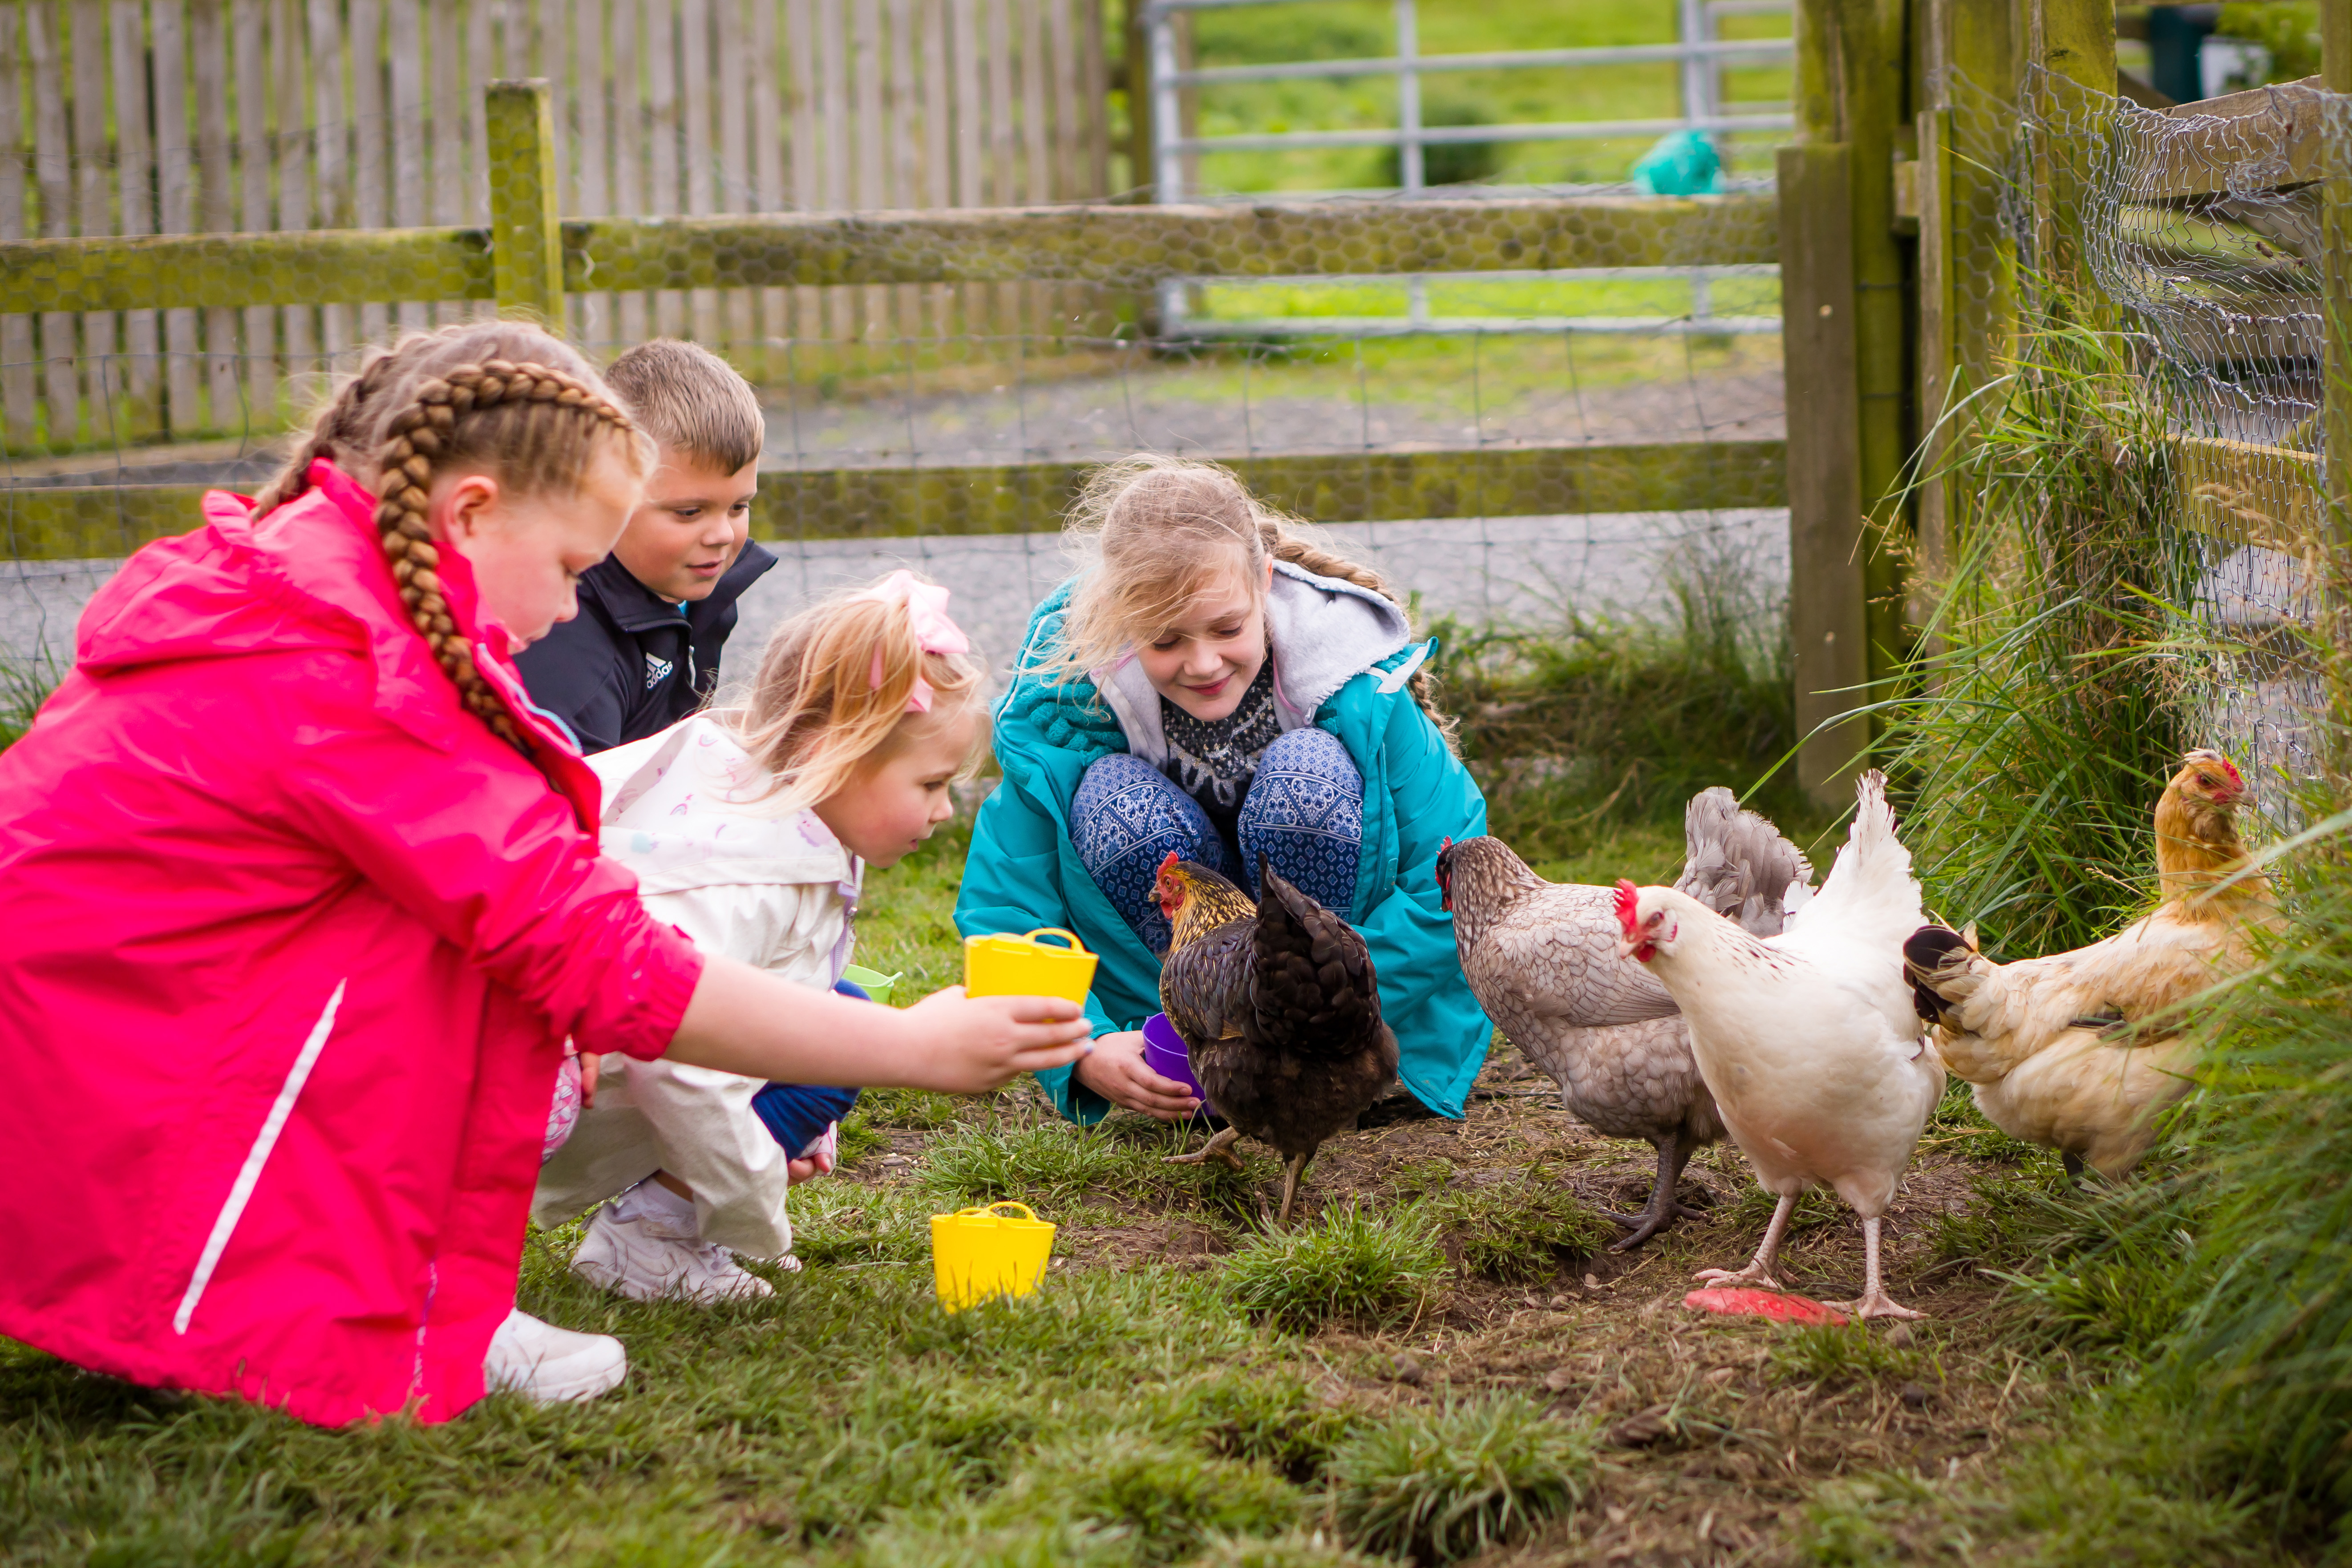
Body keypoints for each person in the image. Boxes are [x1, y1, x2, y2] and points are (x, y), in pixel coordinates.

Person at [0, 322, 1089, 1428]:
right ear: (471, 513)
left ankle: (263, 1281)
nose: (574, 609)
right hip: (105, 1066)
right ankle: (390, 1307)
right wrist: (911, 1046)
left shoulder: (286, 593)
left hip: (76, 1054)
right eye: (572, 566)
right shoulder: (359, 682)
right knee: (460, 971)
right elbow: (591, 954)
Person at [955, 454, 1490, 1128]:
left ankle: (1319, 1065)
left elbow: (1451, 875)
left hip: (1335, 1015)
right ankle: (1201, 1054)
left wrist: (1334, 999)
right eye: (1165, 639)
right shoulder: (1065, 713)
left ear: (1263, 583)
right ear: (1121, 618)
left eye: (1228, 628)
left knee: (1308, 774)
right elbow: (1005, 909)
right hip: (1185, 1014)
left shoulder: (1357, 689)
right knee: (1115, 800)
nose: (1203, 662)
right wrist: (1085, 1049)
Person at [537, 570, 982, 1304]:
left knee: (838, 1015)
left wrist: (786, 1116)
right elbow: (676, 1059)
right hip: (570, 1079)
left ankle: (667, 1216)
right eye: (931, 784)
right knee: (838, 1036)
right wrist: (752, 1190)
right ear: (838, 754)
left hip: (616, 1054)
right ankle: (653, 1237)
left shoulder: (769, 803)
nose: (941, 812)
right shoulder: (746, 880)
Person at [514, 337, 773, 754]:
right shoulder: (568, 649)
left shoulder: (699, 582)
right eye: (689, 512)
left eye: (739, 506)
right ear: (605, 496)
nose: (723, 534)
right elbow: (585, 804)